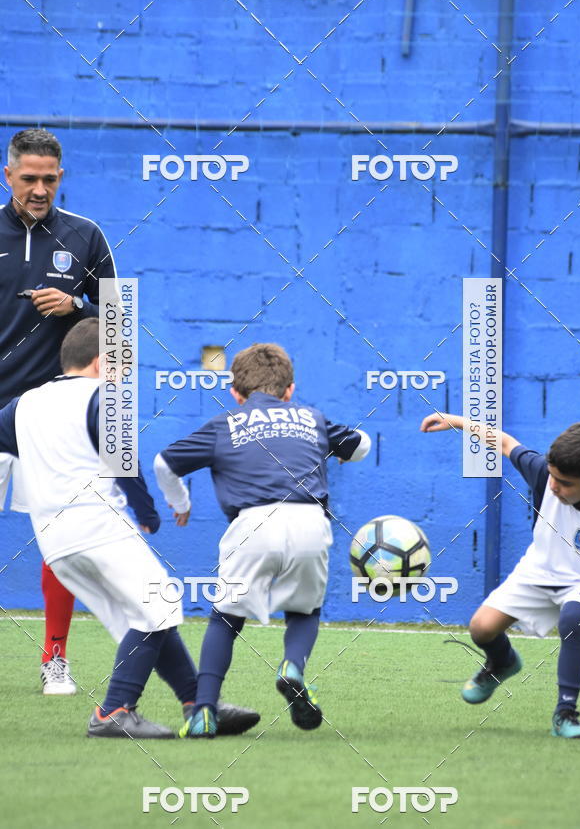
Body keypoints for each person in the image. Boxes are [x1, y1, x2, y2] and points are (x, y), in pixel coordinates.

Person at [0, 318, 259, 738]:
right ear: (101, 362)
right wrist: (148, 513)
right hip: (98, 526)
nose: (124, 375)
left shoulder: (25, 403)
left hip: (56, 542)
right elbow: (124, 460)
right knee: (159, 606)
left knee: (147, 616)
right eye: (120, 365)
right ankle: (113, 711)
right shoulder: (104, 396)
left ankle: (199, 705)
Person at [154, 342, 371, 738]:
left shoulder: (225, 423)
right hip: (309, 521)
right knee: (304, 611)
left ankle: (203, 711)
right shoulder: (313, 418)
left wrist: (180, 502)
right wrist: (339, 452)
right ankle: (292, 667)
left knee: (226, 617)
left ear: (235, 394)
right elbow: (362, 444)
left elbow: (163, 462)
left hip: (251, 525)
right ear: (290, 391)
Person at [0, 128, 117, 695]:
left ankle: (55, 661)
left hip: (52, 419)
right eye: (30, 179)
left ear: (61, 177)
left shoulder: (86, 236)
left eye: (50, 178)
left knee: (59, 540)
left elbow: (119, 327)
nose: (40, 188)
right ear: (8, 176)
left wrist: (79, 305)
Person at [421, 411, 580, 740]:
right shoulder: (544, 476)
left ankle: (565, 713)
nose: (555, 486)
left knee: (573, 619)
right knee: (481, 628)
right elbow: (504, 442)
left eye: (566, 483)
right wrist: (456, 421)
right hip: (537, 569)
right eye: (553, 477)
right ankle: (502, 662)